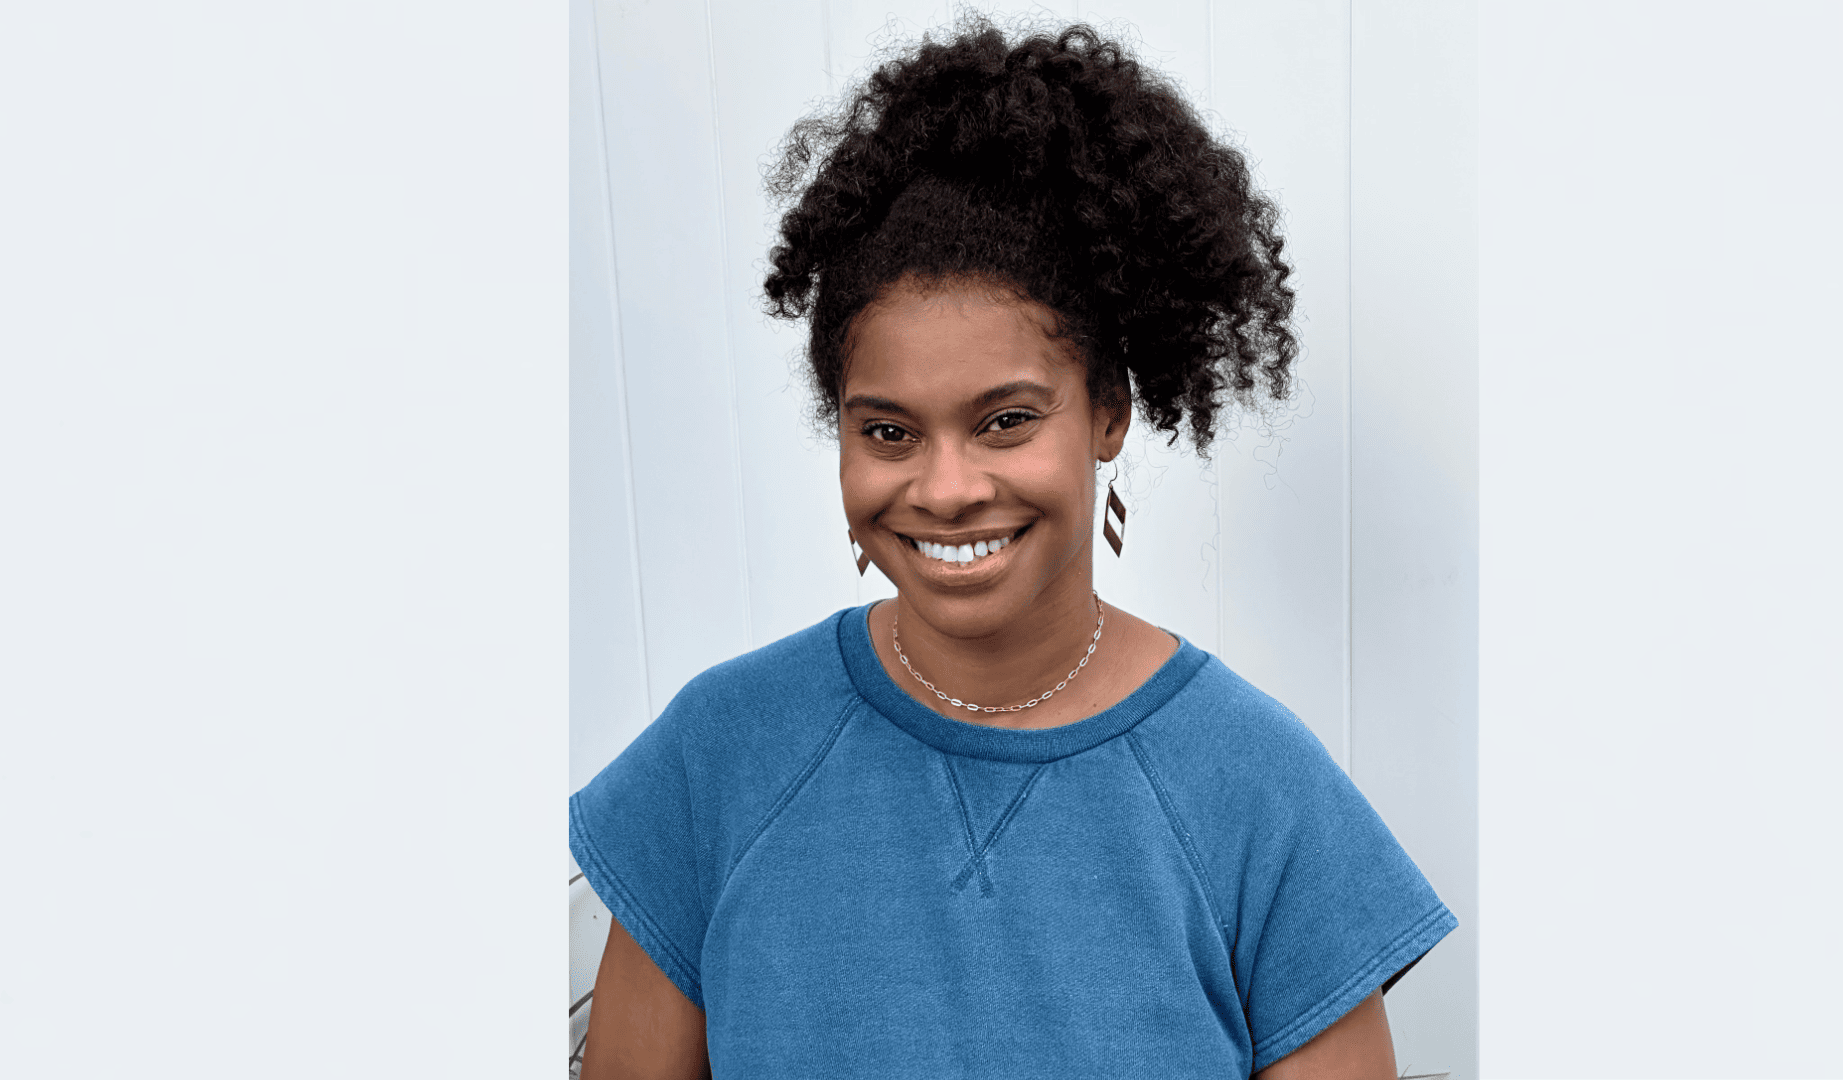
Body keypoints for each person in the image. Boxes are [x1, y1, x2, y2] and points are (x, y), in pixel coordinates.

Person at [571, 20, 1455, 1080]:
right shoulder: (719, 756)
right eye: (887, 432)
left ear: (1108, 415)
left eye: (1004, 421)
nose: (944, 490)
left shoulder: (1257, 791)